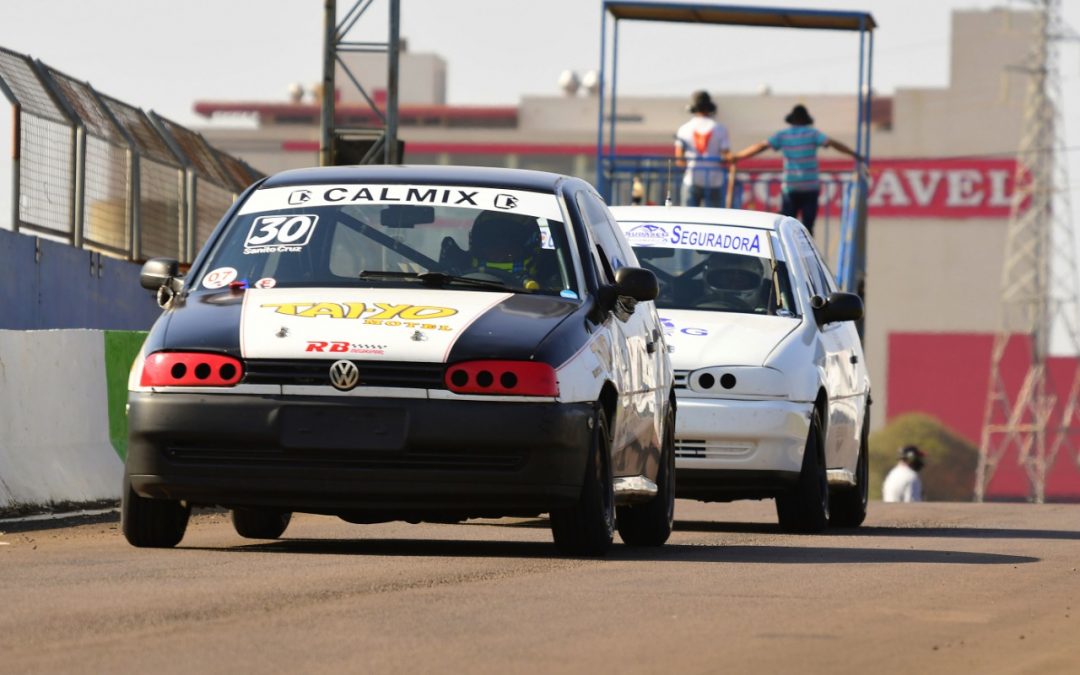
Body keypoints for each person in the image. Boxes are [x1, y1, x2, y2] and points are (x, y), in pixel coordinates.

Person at [732, 104, 860, 235]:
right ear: (806, 120)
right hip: (810, 187)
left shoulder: (783, 135)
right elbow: (833, 143)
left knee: (787, 228)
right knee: (808, 228)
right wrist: (853, 154)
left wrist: (738, 156)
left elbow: (760, 146)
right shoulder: (812, 133)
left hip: (790, 187)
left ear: (792, 120)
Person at [674, 90, 732, 208]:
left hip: (692, 179)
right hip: (714, 180)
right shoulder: (720, 128)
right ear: (710, 108)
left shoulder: (684, 129)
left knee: (687, 220)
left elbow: (679, 160)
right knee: (715, 220)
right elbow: (727, 156)